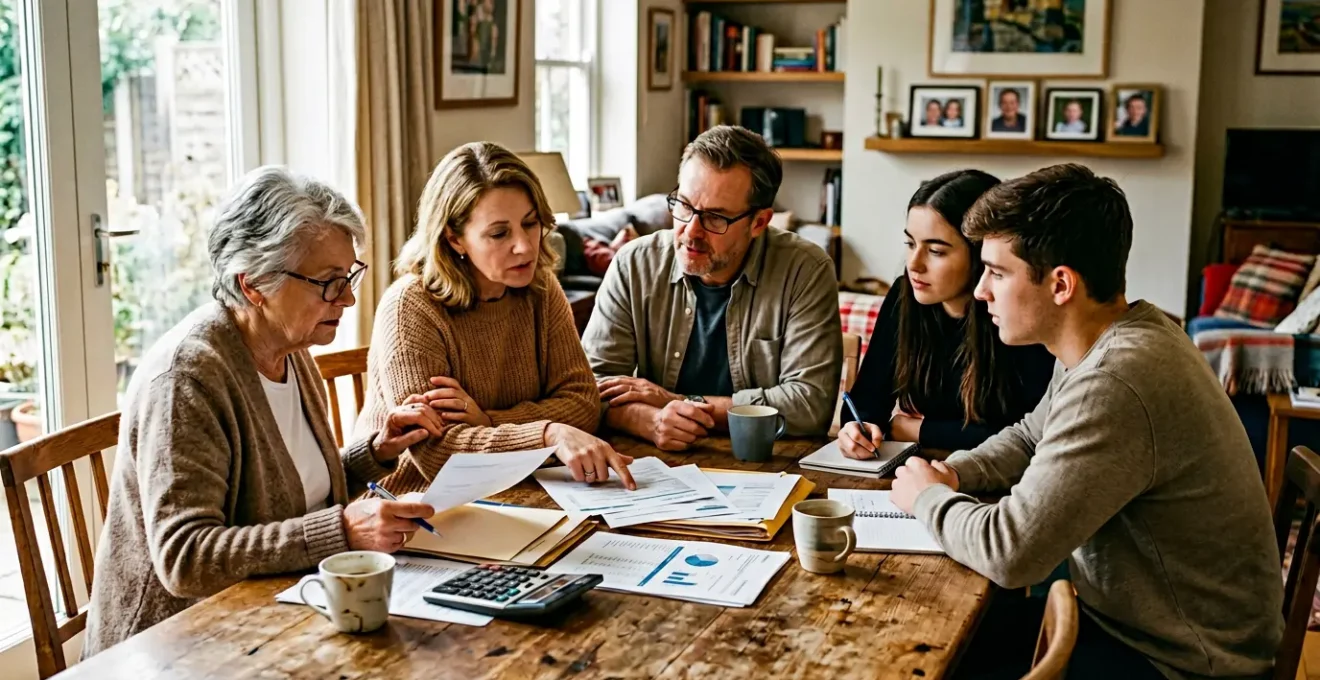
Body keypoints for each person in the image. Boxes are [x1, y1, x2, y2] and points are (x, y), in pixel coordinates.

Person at [889, 164, 1283, 679]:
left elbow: (1011, 553)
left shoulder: (1116, 380)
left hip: (1180, 661)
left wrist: (927, 497)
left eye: (998, 273)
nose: (981, 291)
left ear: (1060, 285)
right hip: (1136, 625)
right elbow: (1032, 435)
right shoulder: (1115, 334)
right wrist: (956, 473)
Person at [84, 167, 447, 656]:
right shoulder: (187, 379)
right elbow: (185, 557)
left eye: (349, 276)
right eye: (328, 282)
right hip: (174, 646)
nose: (348, 298)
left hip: (274, 613)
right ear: (254, 283)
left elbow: (281, 496)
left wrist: (375, 452)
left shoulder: (290, 348)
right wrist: (342, 530)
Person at [356, 142, 635, 492]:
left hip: (522, 487)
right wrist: (548, 432)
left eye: (530, 223)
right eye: (499, 233)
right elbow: (437, 453)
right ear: (454, 238)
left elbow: (583, 403)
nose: (525, 246)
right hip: (417, 506)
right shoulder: (411, 307)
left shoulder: (541, 289)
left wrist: (489, 421)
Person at [583, 125, 842, 452]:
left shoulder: (806, 270)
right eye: (684, 206)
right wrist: (648, 421)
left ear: (759, 223)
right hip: (656, 463)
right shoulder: (633, 263)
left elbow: (809, 405)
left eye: (716, 217)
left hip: (768, 464)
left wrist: (678, 401)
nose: (691, 231)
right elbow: (589, 387)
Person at [838, 170, 1052, 457]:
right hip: (923, 471)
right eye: (910, 244)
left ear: (981, 253)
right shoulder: (905, 296)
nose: (914, 264)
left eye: (936, 251)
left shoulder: (1017, 312)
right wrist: (857, 429)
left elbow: (1028, 434)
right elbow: (865, 404)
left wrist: (918, 430)